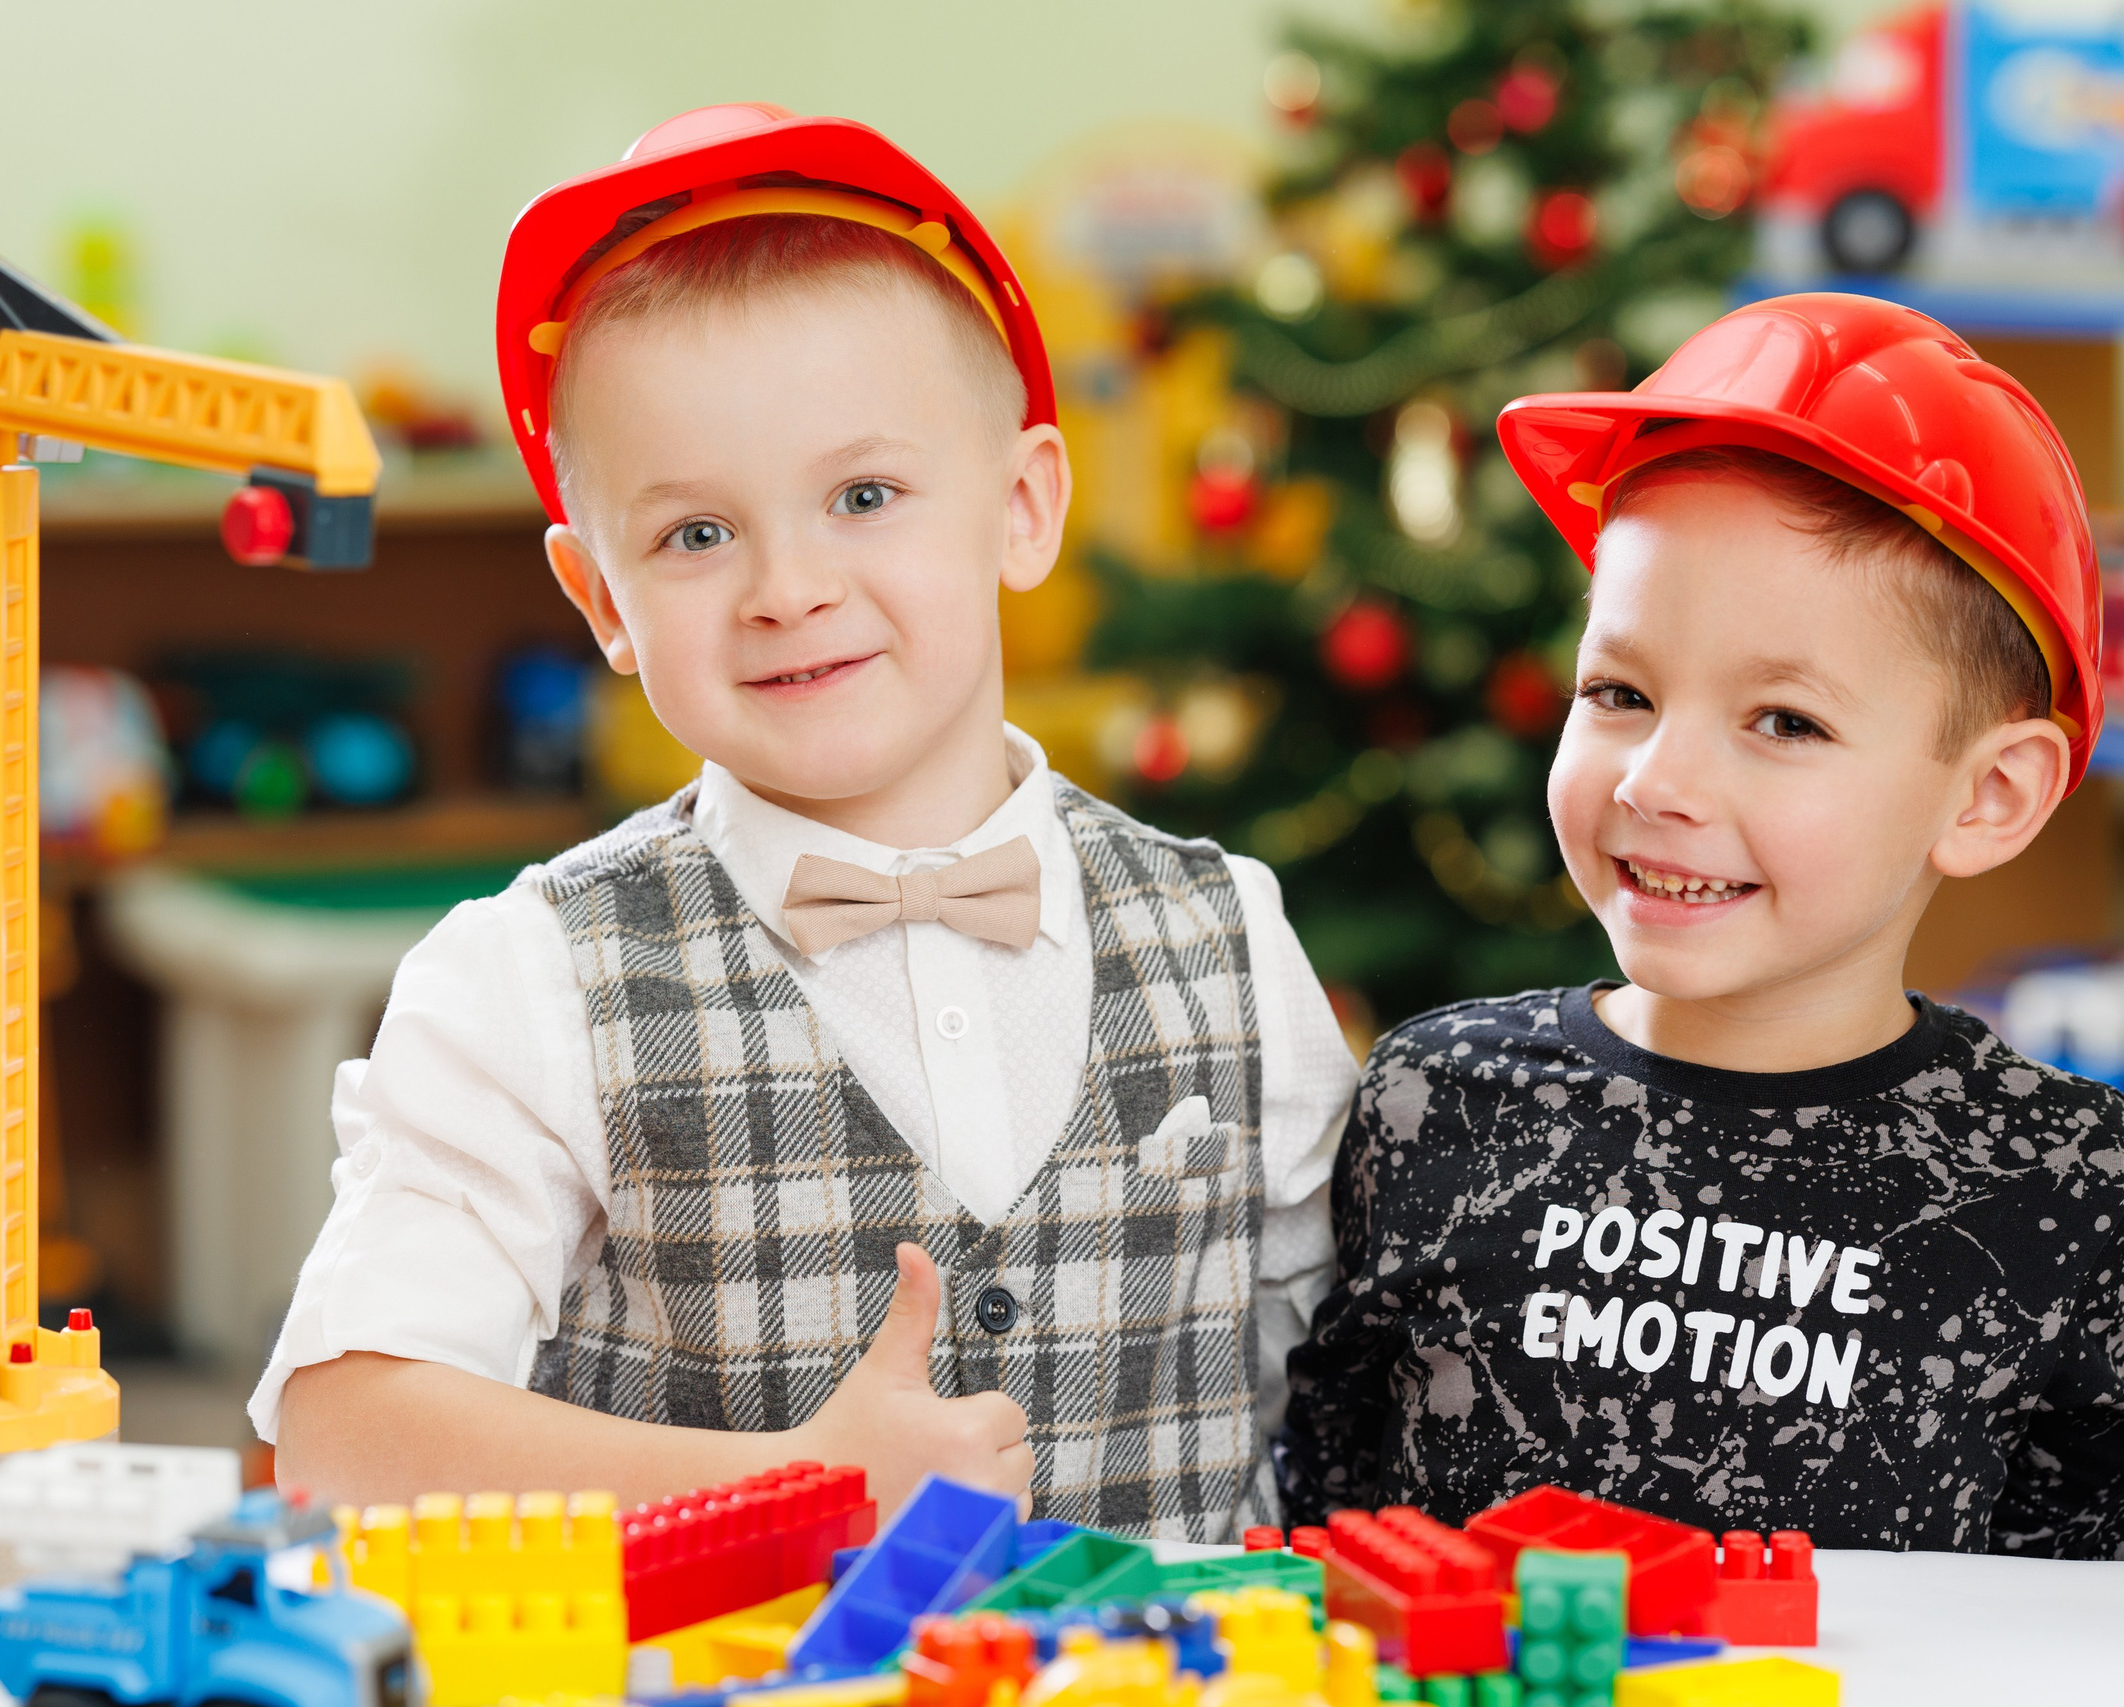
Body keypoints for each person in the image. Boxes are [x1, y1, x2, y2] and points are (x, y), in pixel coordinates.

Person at [258, 106, 1356, 1539]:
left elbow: (1341, 1399)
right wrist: (802, 1490)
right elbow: (347, 1435)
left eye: (864, 495)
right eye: (695, 534)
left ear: (1022, 508)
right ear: (601, 601)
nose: (788, 585)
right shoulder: (529, 981)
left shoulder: (1230, 934)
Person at [1276, 295, 2124, 1559]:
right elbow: (1318, 1497)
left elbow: (2061, 1551)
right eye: (1619, 691)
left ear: (1988, 794)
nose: (1653, 782)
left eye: (1782, 721)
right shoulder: (1435, 1097)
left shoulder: (2056, 1176)